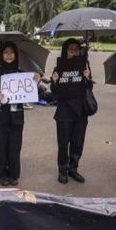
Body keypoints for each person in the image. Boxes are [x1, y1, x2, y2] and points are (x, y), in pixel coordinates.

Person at [0, 42, 39, 186]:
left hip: (17, 116)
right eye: (6, 52)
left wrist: (36, 81)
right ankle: (2, 174)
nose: (9, 55)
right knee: (1, 145)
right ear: (1, 55)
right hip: (1, 116)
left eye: (12, 52)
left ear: (16, 55)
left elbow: (31, 90)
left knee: (15, 146)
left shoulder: (22, 73)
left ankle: (14, 174)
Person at [50, 38, 93, 184]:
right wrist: (54, 81)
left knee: (78, 142)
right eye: (70, 49)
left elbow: (89, 89)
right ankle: (62, 169)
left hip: (81, 110)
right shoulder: (59, 67)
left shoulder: (84, 66)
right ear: (65, 51)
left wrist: (87, 78)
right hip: (64, 111)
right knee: (63, 143)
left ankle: (73, 168)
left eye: (76, 49)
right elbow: (54, 93)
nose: (74, 52)